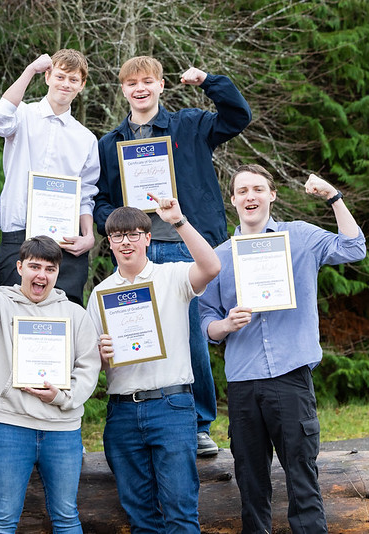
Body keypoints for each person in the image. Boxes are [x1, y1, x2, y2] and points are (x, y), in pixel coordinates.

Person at [93, 56, 252, 455]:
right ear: (123, 89)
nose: (140, 89)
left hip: (186, 245)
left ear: (161, 85)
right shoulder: (109, 143)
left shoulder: (190, 124)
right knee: (135, 332)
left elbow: (238, 116)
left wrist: (208, 80)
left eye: (148, 81)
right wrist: (116, 225)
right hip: (136, 251)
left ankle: (198, 423)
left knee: (192, 335)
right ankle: (140, 419)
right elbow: (102, 199)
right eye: (132, 83)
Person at [199, 165, 366, 533]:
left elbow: (354, 247)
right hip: (243, 382)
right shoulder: (219, 257)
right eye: (243, 191)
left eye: (258, 189)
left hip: (291, 377)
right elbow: (204, 319)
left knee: (302, 478)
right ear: (233, 200)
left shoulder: (300, 237)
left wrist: (333, 196)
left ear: (272, 195)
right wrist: (225, 325)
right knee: (250, 483)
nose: (251, 196)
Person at [86, 198, 220, 532]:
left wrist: (178, 221)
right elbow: (91, 363)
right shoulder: (101, 293)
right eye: (118, 236)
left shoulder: (172, 275)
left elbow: (211, 267)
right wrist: (100, 355)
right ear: (109, 242)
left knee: (180, 513)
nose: (126, 242)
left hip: (171, 405)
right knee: (141, 519)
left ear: (147, 238)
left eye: (133, 234)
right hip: (122, 412)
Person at [0, 229, 101, 532]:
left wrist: (62, 397)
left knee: (67, 517)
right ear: (20, 267)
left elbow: (89, 367)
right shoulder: (0, 305)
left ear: (57, 273)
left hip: (62, 430)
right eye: (35, 267)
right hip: (11, 427)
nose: (42, 275)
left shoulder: (75, 314)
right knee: (3, 518)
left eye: (50, 269)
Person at [0, 49, 100, 304]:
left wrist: (88, 236)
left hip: (64, 243)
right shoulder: (22, 115)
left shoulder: (86, 139)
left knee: (65, 316)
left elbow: (86, 194)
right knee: (15, 314)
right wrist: (31, 69)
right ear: (48, 77)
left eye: (73, 79)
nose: (66, 84)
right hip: (18, 234)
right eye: (60, 76)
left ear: (82, 85)